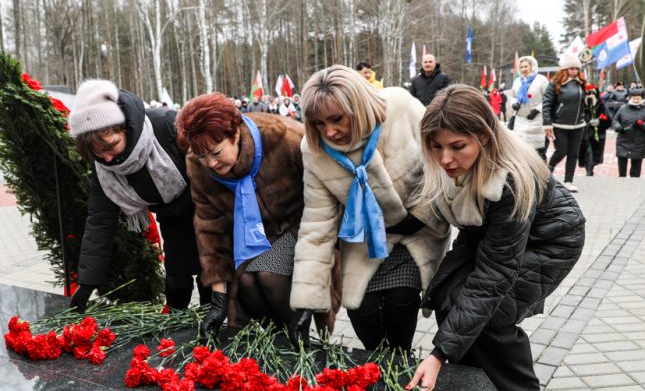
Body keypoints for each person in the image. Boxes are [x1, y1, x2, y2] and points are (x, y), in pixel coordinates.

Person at [409, 84, 585, 391]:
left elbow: (495, 276)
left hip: (552, 242)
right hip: (498, 238)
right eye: (437, 147)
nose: (445, 159)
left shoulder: (511, 181)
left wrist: (437, 355)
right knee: (451, 295)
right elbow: (475, 234)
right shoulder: (458, 164)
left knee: (492, 311)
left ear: (485, 137)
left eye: (457, 147)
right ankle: (477, 379)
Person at [288, 65, 450, 352]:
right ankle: (381, 364)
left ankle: (400, 363)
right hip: (363, 239)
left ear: (358, 105)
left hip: (416, 233)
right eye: (318, 123)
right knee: (362, 313)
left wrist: (421, 217)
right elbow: (317, 223)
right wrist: (307, 299)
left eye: (337, 119)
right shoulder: (313, 150)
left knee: (401, 301)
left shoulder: (401, 108)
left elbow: (444, 168)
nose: (330, 131)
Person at [176, 93, 330, 334]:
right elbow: (211, 228)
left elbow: (323, 208)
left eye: (216, 153)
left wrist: (310, 293)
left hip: (301, 230)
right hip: (251, 237)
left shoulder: (287, 139)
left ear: (235, 134)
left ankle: (296, 339)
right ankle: (278, 340)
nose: (211, 164)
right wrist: (218, 302)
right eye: (202, 156)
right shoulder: (198, 163)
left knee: (267, 275)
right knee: (245, 282)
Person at [68, 80, 211, 312]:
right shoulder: (104, 167)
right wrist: (87, 283)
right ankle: (176, 327)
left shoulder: (165, 126)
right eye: (97, 153)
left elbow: (210, 174)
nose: (106, 159)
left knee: (210, 278)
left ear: (125, 128)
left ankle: (211, 332)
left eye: (110, 146)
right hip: (171, 218)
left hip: (207, 212)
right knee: (177, 279)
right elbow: (99, 221)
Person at [541, 54, 587, 193]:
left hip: (578, 125)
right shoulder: (555, 83)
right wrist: (547, 123)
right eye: (571, 68)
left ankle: (568, 181)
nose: (574, 71)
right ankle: (547, 175)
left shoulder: (582, 83)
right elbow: (547, 104)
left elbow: (584, 103)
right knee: (561, 151)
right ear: (565, 69)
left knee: (573, 153)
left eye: (576, 68)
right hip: (559, 125)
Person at [510, 55, 548, 159]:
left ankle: (542, 173)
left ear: (532, 66)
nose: (523, 69)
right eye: (521, 67)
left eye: (526, 66)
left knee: (537, 151)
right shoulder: (517, 81)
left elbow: (547, 98)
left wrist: (537, 110)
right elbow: (512, 96)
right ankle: (523, 173)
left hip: (536, 119)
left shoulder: (541, 80)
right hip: (520, 120)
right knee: (520, 150)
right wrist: (514, 103)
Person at [613, 87, 645, 178]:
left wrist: (643, 125)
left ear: (643, 98)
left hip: (639, 142)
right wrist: (618, 127)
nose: (635, 100)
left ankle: (634, 183)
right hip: (623, 140)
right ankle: (621, 181)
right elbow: (615, 120)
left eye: (638, 98)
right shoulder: (623, 108)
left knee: (636, 165)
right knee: (622, 163)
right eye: (633, 98)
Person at [579, 84, 610, 176]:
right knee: (587, 152)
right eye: (588, 94)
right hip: (584, 134)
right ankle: (588, 170)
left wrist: (600, 122)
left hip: (597, 135)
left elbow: (608, 120)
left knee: (593, 153)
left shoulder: (601, 105)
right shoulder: (581, 105)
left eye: (593, 94)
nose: (590, 96)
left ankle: (590, 169)